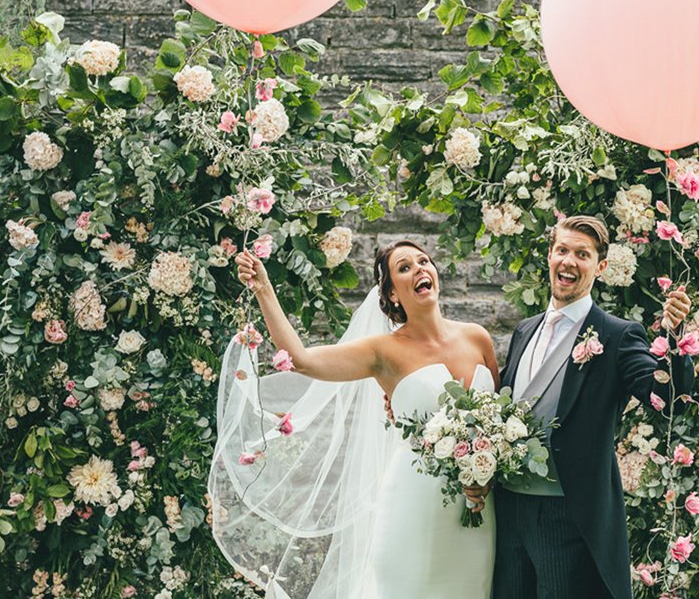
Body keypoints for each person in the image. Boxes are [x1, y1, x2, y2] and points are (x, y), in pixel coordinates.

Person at [209, 240, 499, 599]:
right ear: (393, 294)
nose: (420, 269)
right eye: (405, 267)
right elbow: (301, 359)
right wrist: (264, 288)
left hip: (478, 510)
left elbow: (498, 418)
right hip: (416, 504)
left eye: (424, 261)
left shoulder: (477, 337)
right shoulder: (382, 351)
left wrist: (487, 474)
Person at [472, 215, 694, 599]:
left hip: (568, 517)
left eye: (582, 254)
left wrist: (673, 339)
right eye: (562, 250)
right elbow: (497, 403)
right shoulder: (525, 329)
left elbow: (666, 400)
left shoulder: (618, 334)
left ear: (600, 266)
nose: (569, 261)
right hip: (508, 512)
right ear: (549, 256)